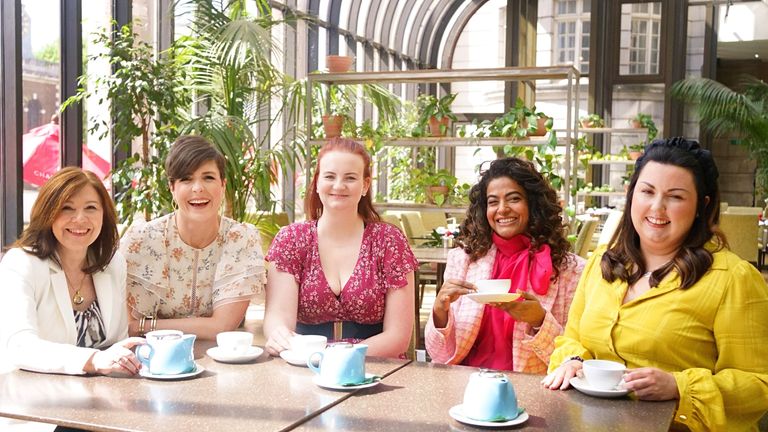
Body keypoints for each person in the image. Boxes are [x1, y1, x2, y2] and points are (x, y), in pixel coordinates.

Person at [542, 138, 768, 431]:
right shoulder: (602, 263)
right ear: (631, 194)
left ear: (702, 205)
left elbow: (759, 383)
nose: (657, 207)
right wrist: (572, 361)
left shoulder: (733, 278)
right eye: (647, 191)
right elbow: (573, 338)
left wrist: (679, 386)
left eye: (675, 197)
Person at [425, 157, 585, 372]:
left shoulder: (570, 269)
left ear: (533, 204)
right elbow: (438, 355)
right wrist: (439, 311)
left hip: (533, 388)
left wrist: (539, 320)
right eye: (493, 202)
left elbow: (575, 358)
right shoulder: (463, 259)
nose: (502, 209)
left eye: (514, 199)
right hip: (467, 381)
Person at [263, 137, 418, 358]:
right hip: (305, 364)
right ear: (317, 183)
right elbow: (278, 318)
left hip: (374, 366)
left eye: (350, 178)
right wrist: (279, 336)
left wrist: (336, 357)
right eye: (329, 176)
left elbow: (398, 337)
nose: (338, 186)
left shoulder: (389, 241)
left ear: (365, 185)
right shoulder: (291, 240)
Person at [0, 167, 143, 376]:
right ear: (47, 214)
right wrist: (93, 360)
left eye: (91, 208)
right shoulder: (21, 263)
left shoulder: (113, 263)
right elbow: (19, 345)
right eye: (67, 208)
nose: (80, 219)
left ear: (104, 214)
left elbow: (117, 342)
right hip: (31, 398)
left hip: (102, 396)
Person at [121, 135, 265, 340]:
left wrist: (145, 326)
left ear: (223, 185)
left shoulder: (241, 239)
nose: (198, 188)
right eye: (186, 179)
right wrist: (137, 327)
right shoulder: (143, 240)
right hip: (154, 357)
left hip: (224, 358)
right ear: (172, 187)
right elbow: (127, 325)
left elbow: (222, 327)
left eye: (208, 177)